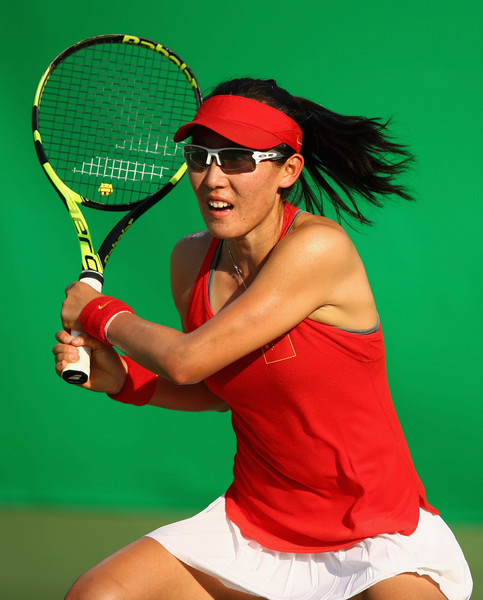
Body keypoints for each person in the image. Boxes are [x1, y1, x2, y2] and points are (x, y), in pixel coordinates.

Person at [54, 78, 472, 600]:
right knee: (99, 594)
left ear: (287, 170)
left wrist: (96, 312)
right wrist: (127, 381)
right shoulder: (191, 262)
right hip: (253, 527)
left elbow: (187, 360)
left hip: (376, 532)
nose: (212, 178)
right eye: (200, 156)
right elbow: (218, 387)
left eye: (236, 159)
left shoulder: (319, 247)